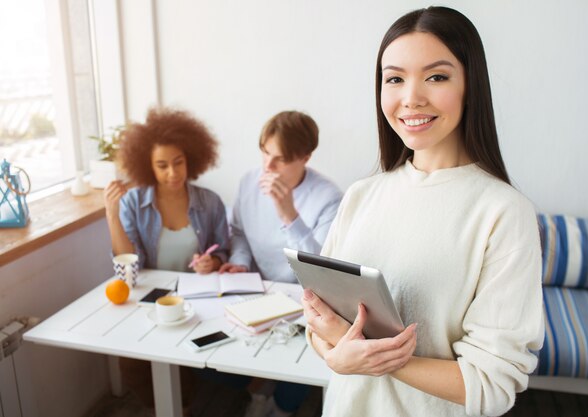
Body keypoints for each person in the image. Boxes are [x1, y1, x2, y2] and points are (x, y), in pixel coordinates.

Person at [301, 7, 544, 417]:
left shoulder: (504, 212)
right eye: (394, 78)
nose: (411, 97)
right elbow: (321, 321)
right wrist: (333, 355)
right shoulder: (360, 195)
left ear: (471, 85)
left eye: (436, 76)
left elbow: (492, 384)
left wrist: (374, 358)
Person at [216, 111, 343, 417]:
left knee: (302, 360)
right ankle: (259, 389)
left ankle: (281, 405)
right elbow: (240, 233)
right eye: (264, 153)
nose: (267, 167)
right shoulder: (249, 182)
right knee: (214, 358)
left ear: (305, 157)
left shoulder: (329, 197)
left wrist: (289, 214)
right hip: (259, 291)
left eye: (280, 159)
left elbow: (322, 270)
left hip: (306, 299)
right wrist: (239, 262)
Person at [103, 107, 229, 413]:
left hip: (198, 298)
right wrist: (112, 216)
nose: (173, 173)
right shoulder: (134, 202)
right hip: (152, 296)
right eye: (162, 166)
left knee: (193, 366)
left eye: (178, 163)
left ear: (191, 159)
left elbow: (223, 250)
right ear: (147, 167)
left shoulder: (209, 202)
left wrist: (213, 263)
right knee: (131, 364)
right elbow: (129, 268)